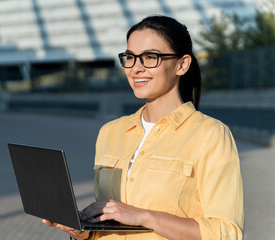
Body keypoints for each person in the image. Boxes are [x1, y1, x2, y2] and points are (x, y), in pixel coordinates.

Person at [43, 15, 244, 240]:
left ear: (182, 64)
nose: (135, 68)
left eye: (150, 57)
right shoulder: (110, 132)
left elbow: (227, 233)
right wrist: (82, 231)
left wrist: (144, 217)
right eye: (130, 58)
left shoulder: (210, 135)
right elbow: (109, 226)